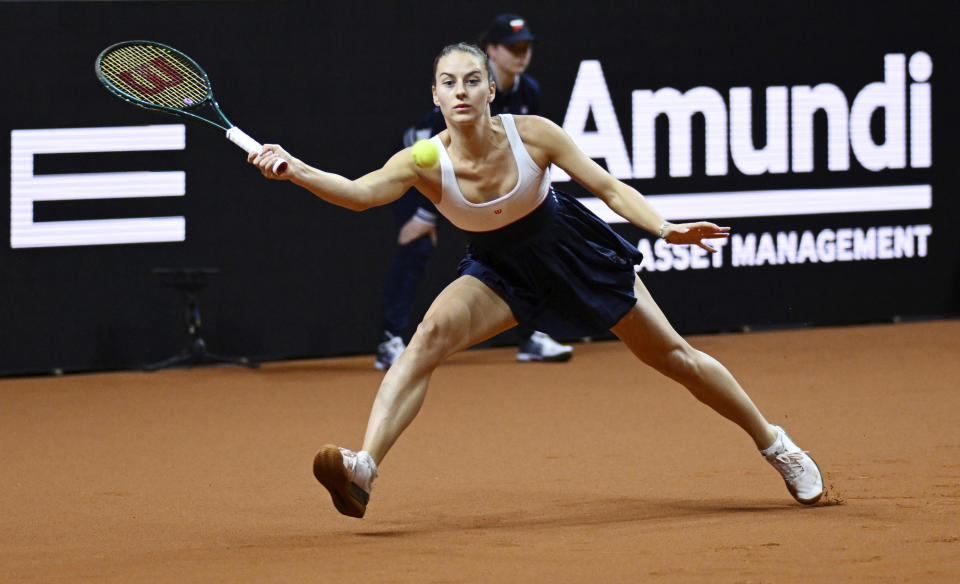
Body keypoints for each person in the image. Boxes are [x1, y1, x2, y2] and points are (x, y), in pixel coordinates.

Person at [248, 43, 825, 518]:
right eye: (448, 83)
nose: (461, 92)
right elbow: (358, 194)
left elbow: (610, 189)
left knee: (675, 358)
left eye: (472, 80)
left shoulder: (535, 133)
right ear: (435, 96)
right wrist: (293, 168)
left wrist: (665, 227)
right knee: (427, 339)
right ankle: (364, 469)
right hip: (500, 273)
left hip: (573, 253)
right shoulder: (424, 160)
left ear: (491, 89)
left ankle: (777, 445)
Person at [376, 13, 573, 371]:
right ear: (492, 51)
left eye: (526, 47)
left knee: (527, 243)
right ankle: (390, 340)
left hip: (482, 178)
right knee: (417, 245)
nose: (521, 54)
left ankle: (531, 337)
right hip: (423, 174)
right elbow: (435, 160)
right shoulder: (464, 96)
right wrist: (423, 215)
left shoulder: (528, 91)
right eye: (513, 48)